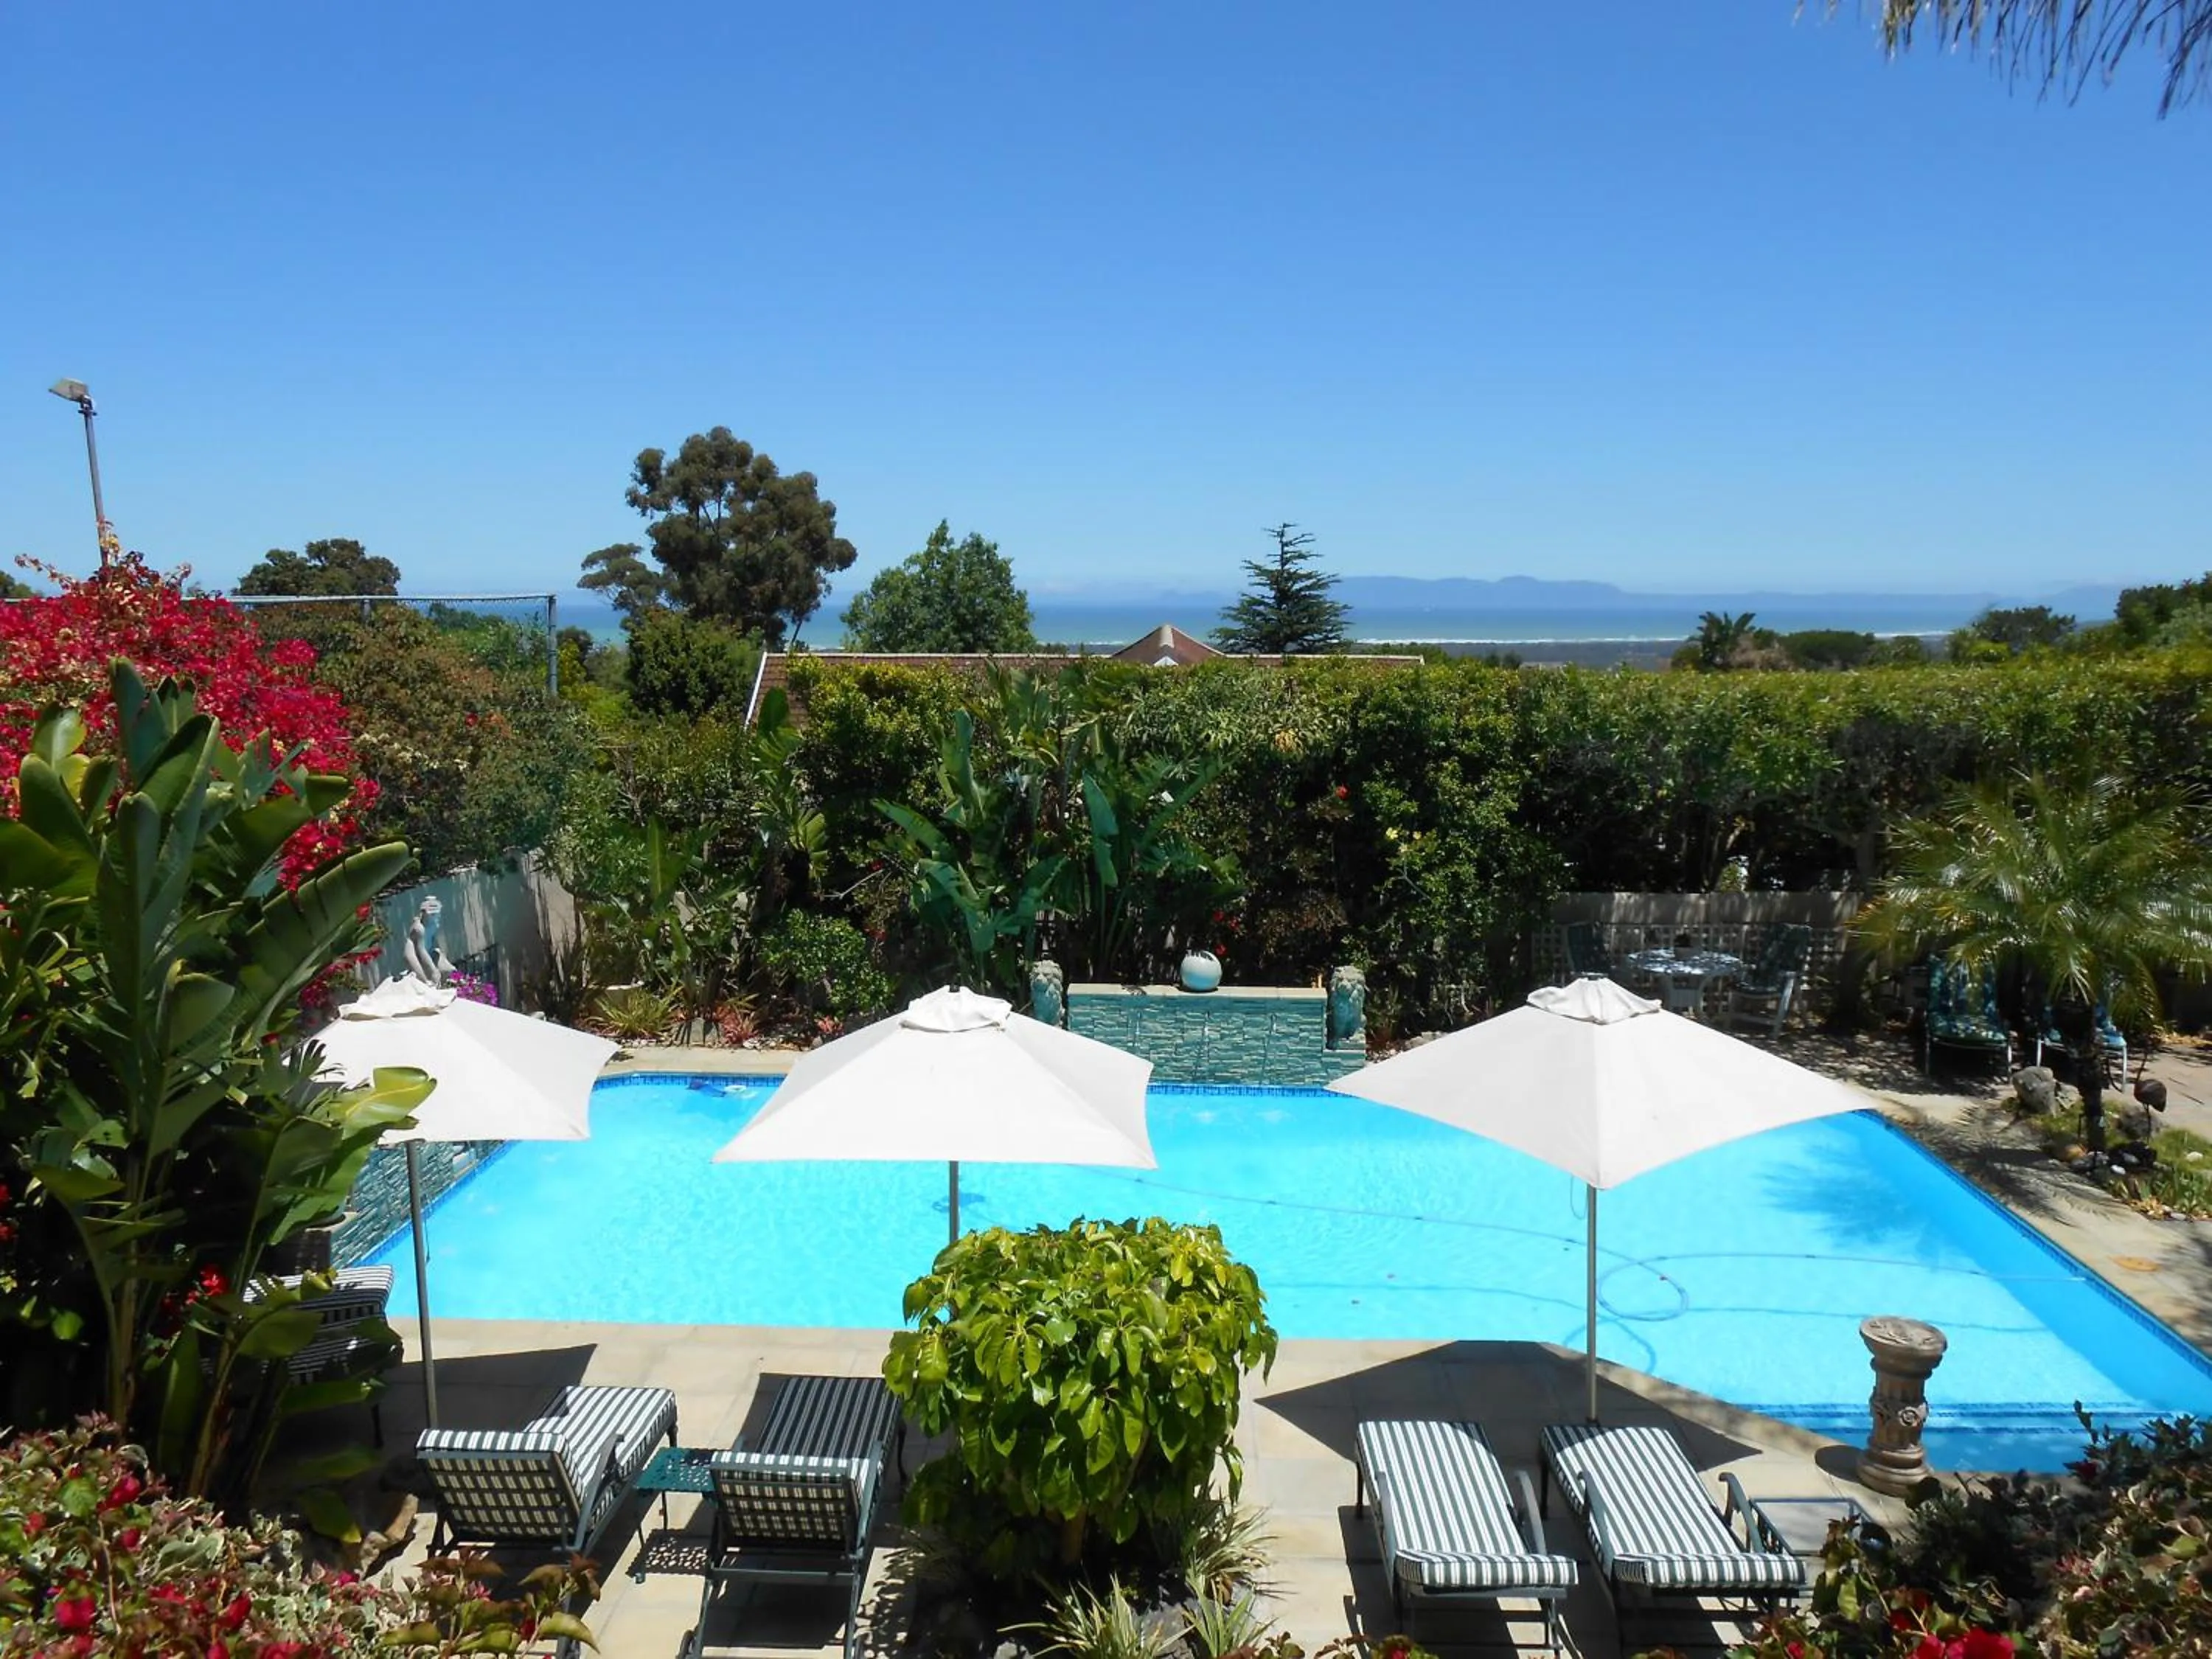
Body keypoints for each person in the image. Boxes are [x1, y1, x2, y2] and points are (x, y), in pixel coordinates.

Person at [403, 896, 450, 986]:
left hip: (428, 951)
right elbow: (421, 950)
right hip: (413, 954)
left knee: (445, 967)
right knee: (423, 981)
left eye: (436, 914)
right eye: (432, 915)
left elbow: (433, 941)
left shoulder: (434, 925)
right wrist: (433, 969)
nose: (436, 917)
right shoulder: (419, 928)